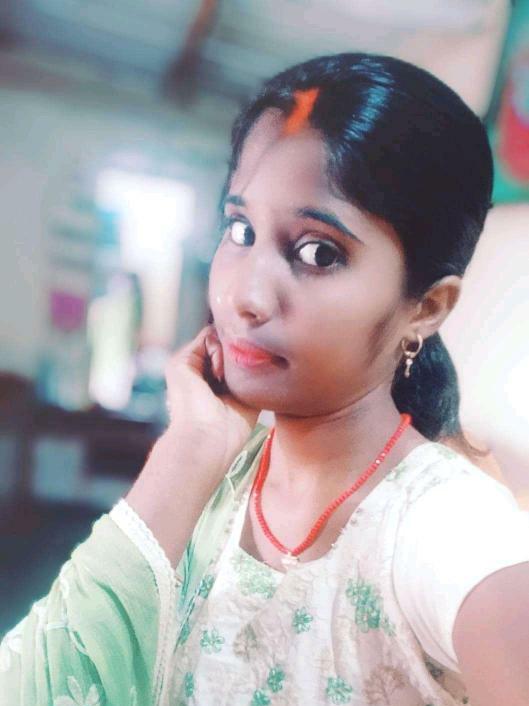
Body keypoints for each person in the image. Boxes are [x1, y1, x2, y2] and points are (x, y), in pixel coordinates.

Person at [2, 52, 529, 706]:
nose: (245, 295)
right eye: (240, 228)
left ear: (425, 307)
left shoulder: (441, 524)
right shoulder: (217, 470)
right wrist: (191, 447)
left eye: (317, 252)